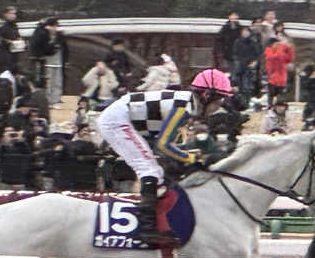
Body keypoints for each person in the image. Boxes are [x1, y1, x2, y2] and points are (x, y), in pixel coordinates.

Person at [96, 68, 234, 246]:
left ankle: (157, 220)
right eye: (219, 99)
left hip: (126, 119)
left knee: (158, 169)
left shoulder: (188, 104)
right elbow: (163, 145)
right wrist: (192, 159)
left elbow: (167, 145)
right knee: (149, 169)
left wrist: (187, 157)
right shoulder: (183, 106)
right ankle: (146, 228)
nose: (219, 106)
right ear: (207, 95)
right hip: (116, 120)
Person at [263, 37, 294, 107]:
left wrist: (289, 49)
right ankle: (270, 107)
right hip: (272, 79)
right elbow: (274, 57)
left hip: (282, 79)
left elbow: (289, 59)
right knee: (271, 95)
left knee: (281, 98)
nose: (278, 46)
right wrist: (282, 48)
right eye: (276, 44)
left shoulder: (280, 52)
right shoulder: (269, 51)